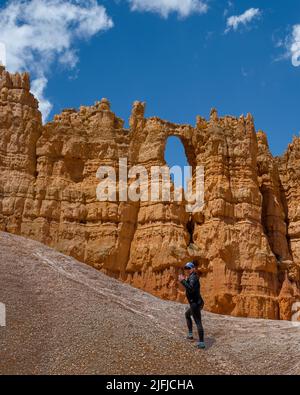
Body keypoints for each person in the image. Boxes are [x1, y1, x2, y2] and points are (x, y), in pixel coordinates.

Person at [178, 262, 205, 349]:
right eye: (186, 268)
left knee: (198, 322)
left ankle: (201, 343)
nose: (187, 270)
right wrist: (185, 280)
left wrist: (182, 281)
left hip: (195, 303)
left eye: (189, 268)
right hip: (196, 302)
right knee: (187, 314)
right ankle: (190, 335)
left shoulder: (193, 277)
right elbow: (190, 287)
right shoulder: (192, 276)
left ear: (193, 269)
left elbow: (191, 288)